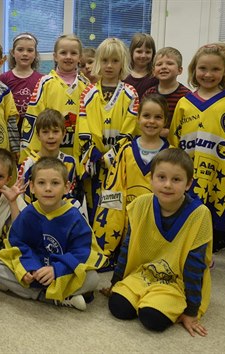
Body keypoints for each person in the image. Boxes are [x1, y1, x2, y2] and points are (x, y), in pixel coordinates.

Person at [168, 42, 225, 258]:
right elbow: (174, 140)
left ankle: (214, 241)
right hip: (190, 172)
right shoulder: (184, 103)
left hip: (219, 171)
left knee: (217, 210)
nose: (208, 74)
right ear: (194, 70)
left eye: (215, 69)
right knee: (188, 212)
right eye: (203, 68)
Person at [106, 148, 212, 336]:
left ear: (188, 183)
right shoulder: (140, 204)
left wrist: (191, 311)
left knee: (152, 319)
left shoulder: (200, 214)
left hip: (174, 283)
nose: (167, 185)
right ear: (151, 179)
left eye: (176, 179)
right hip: (142, 274)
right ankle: (141, 296)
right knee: (118, 307)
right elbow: (127, 248)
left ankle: (158, 302)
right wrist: (116, 282)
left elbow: (195, 265)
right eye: (161, 177)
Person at [0, 157, 105, 311]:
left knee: (93, 279)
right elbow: (16, 243)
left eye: (55, 183)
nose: (48, 188)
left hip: (59, 274)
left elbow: (83, 252)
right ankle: (52, 297)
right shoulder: (29, 213)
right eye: (41, 183)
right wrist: (29, 268)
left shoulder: (74, 217)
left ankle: (30, 292)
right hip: (35, 272)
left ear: (67, 187)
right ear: (32, 187)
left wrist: (57, 270)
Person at [92, 94, 171, 268]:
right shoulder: (125, 150)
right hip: (127, 216)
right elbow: (113, 189)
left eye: (158, 117)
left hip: (155, 218)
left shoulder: (170, 153)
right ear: (138, 118)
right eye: (146, 116)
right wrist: (107, 241)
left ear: (165, 121)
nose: (151, 121)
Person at [77, 37, 139, 223]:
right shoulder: (88, 93)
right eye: (104, 60)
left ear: (123, 63)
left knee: (113, 207)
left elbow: (130, 129)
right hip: (93, 161)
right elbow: (83, 125)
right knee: (92, 206)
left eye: (115, 61)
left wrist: (112, 155)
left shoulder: (130, 93)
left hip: (118, 162)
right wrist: (93, 154)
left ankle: (111, 246)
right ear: (98, 62)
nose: (109, 65)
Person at [20, 34, 89, 162]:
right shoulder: (45, 83)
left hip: (78, 159)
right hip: (48, 158)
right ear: (55, 56)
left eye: (73, 53)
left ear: (80, 57)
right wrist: (31, 157)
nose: (68, 57)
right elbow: (33, 119)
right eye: (63, 53)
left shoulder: (86, 85)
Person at [20, 109, 85, 217]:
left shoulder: (70, 162)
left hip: (64, 221)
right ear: (38, 135)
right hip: (35, 220)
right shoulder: (28, 164)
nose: (51, 136)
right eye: (45, 132)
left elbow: (77, 198)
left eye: (55, 131)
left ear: (64, 133)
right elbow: (22, 201)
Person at [0, 32, 44, 130]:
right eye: (20, 49)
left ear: (35, 54)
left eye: (30, 50)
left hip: (35, 131)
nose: (25, 54)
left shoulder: (43, 80)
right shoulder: (4, 78)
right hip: (10, 130)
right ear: (13, 52)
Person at [143, 47, 191, 137]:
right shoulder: (148, 94)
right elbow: (141, 118)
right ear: (153, 71)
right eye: (159, 64)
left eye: (169, 63)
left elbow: (190, 124)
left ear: (180, 70)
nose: (164, 67)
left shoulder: (187, 96)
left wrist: (170, 133)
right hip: (151, 141)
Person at [123, 33, 158, 98]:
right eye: (139, 52)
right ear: (131, 52)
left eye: (147, 52)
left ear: (153, 54)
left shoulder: (155, 77)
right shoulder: (123, 75)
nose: (143, 56)